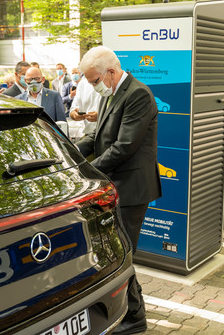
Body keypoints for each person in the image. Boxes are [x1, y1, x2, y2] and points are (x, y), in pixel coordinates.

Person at [76, 46, 161, 335]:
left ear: (111, 73)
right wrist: (70, 154)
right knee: (118, 253)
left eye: (94, 80)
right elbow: (96, 135)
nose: (92, 86)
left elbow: (124, 146)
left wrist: (86, 170)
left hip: (131, 188)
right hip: (116, 186)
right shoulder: (114, 93)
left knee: (121, 254)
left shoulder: (137, 94)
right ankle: (131, 312)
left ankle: (135, 317)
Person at [69, 73, 101, 140]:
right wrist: (74, 115)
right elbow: (73, 109)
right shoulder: (82, 84)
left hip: (107, 134)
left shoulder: (109, 81)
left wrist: (100, 116)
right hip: (89, 134)